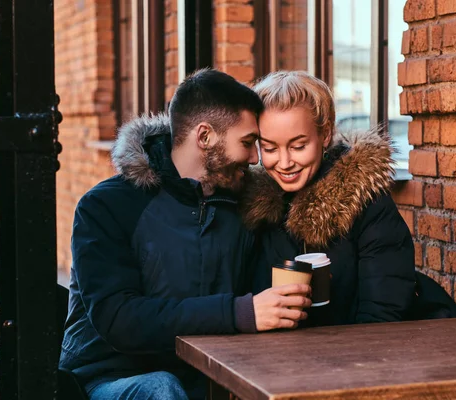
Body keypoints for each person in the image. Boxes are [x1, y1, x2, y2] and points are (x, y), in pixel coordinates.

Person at [59, 69, 311, 400]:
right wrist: (239, 313)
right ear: (204, 136)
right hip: (109, 379)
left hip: (210, 377)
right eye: (248, 143)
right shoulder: (106, 206)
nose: (255, 159)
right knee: (161, 389)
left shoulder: (243, 208)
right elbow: (121, 320)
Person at [243, 70, 416, 326]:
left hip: (355, 356)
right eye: (269, 148)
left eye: (298, 146)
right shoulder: (252, 207)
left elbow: (382, 310)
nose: (285, 162)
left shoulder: (365, 200)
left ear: (324, 135)